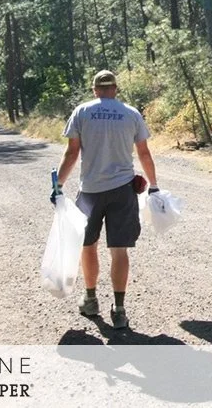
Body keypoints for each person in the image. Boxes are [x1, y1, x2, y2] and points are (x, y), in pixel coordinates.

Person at [53, 69, 159, 329]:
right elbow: (144, 153)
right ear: (116, 89)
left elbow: (71, 153)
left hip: (90, 191)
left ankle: (90, 300)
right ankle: (120, 309)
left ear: (94, 89)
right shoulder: (131, 113)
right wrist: (154, 186)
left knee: (88, 245)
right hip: (123, 190)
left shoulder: (82, 112)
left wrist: (58, 185)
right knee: (119, 249)